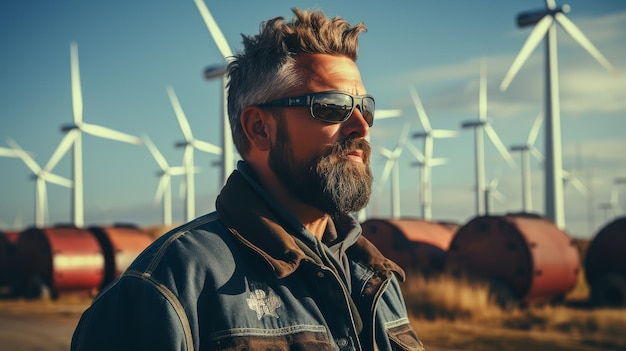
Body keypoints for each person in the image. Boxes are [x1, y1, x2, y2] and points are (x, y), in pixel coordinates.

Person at [71, 8, 425, 351]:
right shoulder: (173, 283)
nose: (361, 125)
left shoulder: (376, 278)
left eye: (365, 107)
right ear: (259, 128)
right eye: (331, 106)